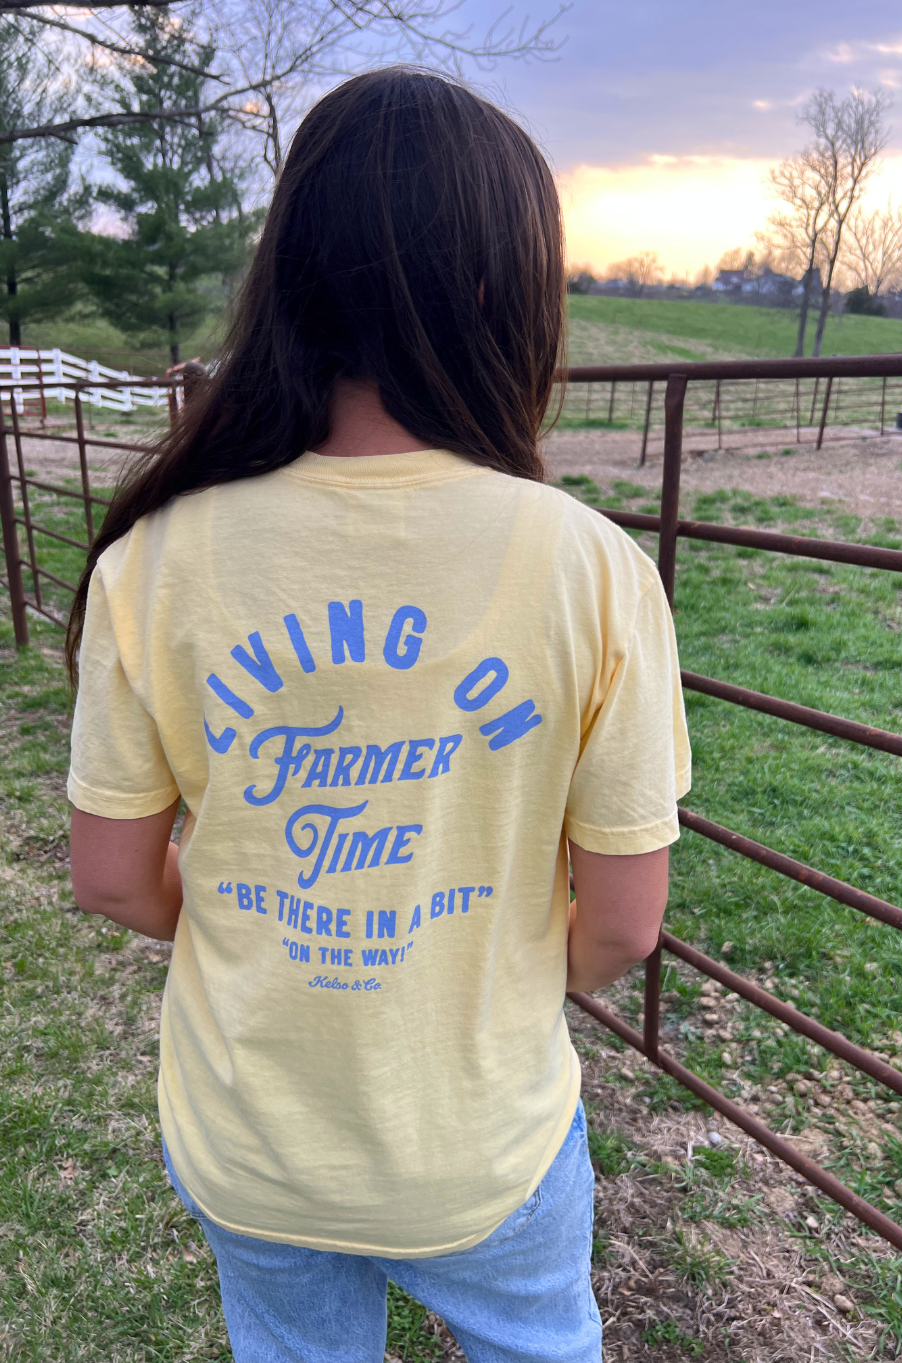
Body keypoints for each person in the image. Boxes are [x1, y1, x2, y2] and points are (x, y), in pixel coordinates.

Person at [66, 67, 690, 1363]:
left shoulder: (154, 558)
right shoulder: (591, 568)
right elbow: (624, 926)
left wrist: (251, 932)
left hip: (251, 1138)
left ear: (290, 274)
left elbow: (114, 880)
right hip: (483, 1145)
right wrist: (488, 978)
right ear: (502, 291)